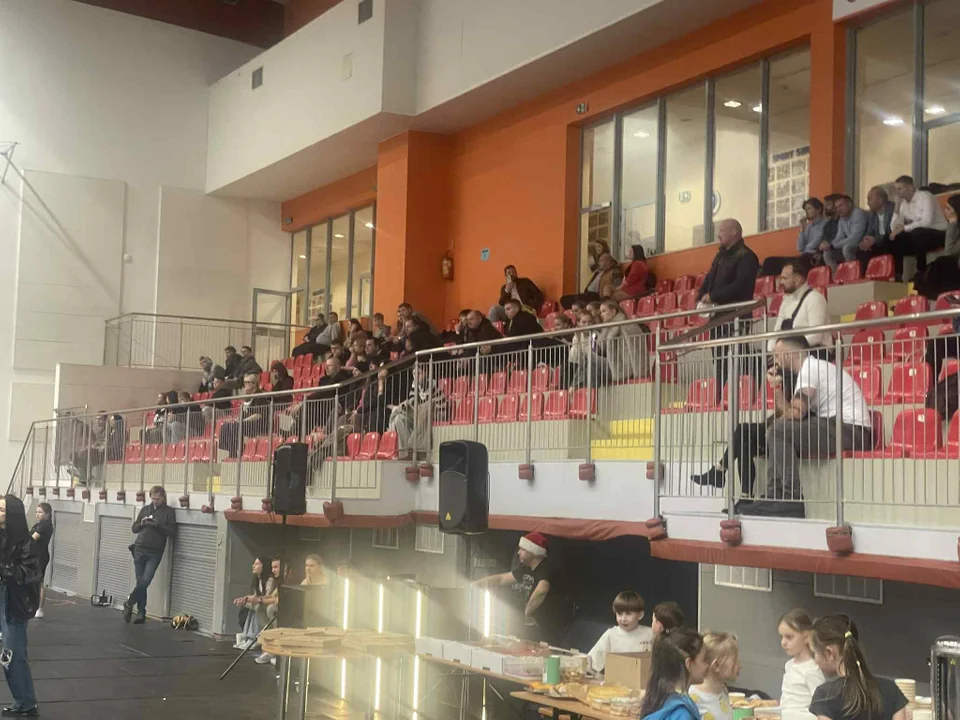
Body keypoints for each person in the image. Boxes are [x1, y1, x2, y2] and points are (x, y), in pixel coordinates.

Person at [743, 336, 873, 518]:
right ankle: (773, 496)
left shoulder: (810, 369)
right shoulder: (811, 368)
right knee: (778, 429)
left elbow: (796, 413)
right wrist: (777, 387)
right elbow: (786, 414)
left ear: (788, 355)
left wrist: (781, 399)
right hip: (839, 426)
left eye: (777, 356)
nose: (775, 361)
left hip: (851, 429)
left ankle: (790, 499)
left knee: (779, 430)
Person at [473, 531, 574, 646]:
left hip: (549, 627)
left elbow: (542, 590)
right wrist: (476, 584)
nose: (518, 552)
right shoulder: (526, 569)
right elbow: (501, 579)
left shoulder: (546, 568)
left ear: (533, 552)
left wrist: (527, 612)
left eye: (522, 549)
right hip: (534, 626)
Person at [697, 219, 761, 400]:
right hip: (717, 317)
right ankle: (721, 396)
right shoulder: (720, 256)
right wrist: (701, 297)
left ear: (734, 232)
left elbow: (741, 286)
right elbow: (709, 278)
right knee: (719, 358)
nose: (718, 235)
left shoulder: (747, 256)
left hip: (737, 315)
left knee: (738, 355)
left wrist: (713, 296)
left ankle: (745, 393)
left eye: (722, 230)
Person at [809, 615, 907, 720]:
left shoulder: (825, 695)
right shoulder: (891, 690)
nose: (815, 661)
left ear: (829, 653)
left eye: (814, 653)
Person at [0, 495, 41, 717]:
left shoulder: (25, 543)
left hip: (13, 603)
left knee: (12, 655)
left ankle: (26, 702)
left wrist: (5, 567)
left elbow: (29, 574)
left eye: (2, 509)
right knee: (9, 655)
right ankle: (22, 701)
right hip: (3, 599)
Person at [124, 486, 176, 625]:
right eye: (153, 499)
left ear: (163, 498)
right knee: (140, 581)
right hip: (140, 547)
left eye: (158, 499)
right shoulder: (145, 509)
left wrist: (157, 525)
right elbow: (134, 529)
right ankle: (141, 612)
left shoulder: (169, 512)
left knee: (146, 580)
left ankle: (129, 602)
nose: (155, 501)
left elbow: (172, 532)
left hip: (155, 551)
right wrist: (142, 524)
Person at [638, 627, 708, 720]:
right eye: (704, 659)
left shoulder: (657, 699)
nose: (707, 665)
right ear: (689, 664)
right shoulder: (682, 714)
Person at [890, 175, 949, 280]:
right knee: (893, 238)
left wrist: (904, 228)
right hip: (919, 234)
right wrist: (896, 209)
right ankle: (898, 274)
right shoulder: (903, 204)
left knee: (918, 233)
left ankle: (921, 270)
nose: (897, 193)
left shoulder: (925, 196)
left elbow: (927, 222)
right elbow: (894, 228)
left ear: (910, 187)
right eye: (896, 190)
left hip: (939, 232)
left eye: (900, 189)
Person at [769, 258, 831, 354]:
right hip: (789, 354)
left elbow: (816, 336)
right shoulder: (785, 302)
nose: (781, 282)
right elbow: (776, 333)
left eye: (785, 278)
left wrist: (789, 349)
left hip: (816, 352)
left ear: (798, 279)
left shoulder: (815, 298)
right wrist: (770, 352)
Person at [587, 591, 653, 673]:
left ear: (640, 615)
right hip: (617, 679)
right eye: (619, 614)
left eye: (628, 614)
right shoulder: (611, 635)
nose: (623, 619)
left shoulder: (650, 634)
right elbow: (592, 662)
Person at [387, 364, 448, 454]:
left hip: (438, 413)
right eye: (414, 374)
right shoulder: (416, 385)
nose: (416, 376)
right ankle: (407, 451)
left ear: (426, 373)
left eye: (419, 373)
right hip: (421, 412)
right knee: (399, 418)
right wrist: (401, 407)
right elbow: (413, 402)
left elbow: (422, 404)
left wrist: (403, 406)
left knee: (421, 410)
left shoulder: (431, 384)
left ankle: (416, 447)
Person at [778, 609, 825, 720]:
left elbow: (821, 704)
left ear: (806, 636)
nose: (783, 642)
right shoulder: (789, 665)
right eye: (781, 637)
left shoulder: (812, 669)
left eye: (789, 637)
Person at [914, 194, 960, 300]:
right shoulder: (956, 227)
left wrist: (952, 224)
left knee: (942, 263)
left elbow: (949, 252)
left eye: (948, 209)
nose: (945, 211)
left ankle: (940, 299)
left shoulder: (954, 226)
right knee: (930, 270)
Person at [689, 632, 741, 720]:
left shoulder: (722, 690)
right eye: (734, 661)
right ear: (716, 665)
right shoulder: (693, 697)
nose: (739, 665)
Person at [219, 374, 271, 458]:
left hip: (257, 424)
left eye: (248, 382)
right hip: (246, 423)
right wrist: (238, 419)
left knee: (236, 426)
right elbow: (243, 413)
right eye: (245, 382)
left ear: (255, 383)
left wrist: (243, 421)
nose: (246, 384)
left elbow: (258, 415)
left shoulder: (259, 396)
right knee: (226, 425)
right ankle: (231, 450)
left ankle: (237, 451)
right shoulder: (247, 397)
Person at [597, 299, 649, 382]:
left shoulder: (626, 325)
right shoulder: (607, 329)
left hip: (628, 370)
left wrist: (639, 373)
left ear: (613, 311)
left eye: (604, 311)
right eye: (600, 312)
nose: (601, 314)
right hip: (617, 370)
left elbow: (636, 350)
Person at [232, 556, 273, 650]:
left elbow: (268, 596)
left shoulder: (270, 580)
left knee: (256, 607)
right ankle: (246, 636)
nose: (253, 566)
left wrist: (253, 599)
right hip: (260, 603)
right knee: (247, 607)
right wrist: (245, 599)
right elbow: (255, 596)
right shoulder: (257, 580)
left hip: (267, 605)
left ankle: (253, 637)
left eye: (257, 564)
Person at [855, 186, 897, 272]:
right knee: (862, 249)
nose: (867, 203)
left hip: (891, 240)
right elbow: (869, 232)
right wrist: (866, 241)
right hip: (879, 242)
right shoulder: (872, 214)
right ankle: (867, 276)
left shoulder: (892, 209)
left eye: (870, 199)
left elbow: (891, 232)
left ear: (880, 200)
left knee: (887, 241)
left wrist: (874, 240)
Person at [255, 558, 289, 666]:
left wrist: (260, 600)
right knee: (259, 608)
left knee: (271, 609)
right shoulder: (279, 581)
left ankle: (276, 648)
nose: (273, 570)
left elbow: (281, 599)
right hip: (281, 608)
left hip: (290, 611)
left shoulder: (290, 580)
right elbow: (271, 596)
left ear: (285, 568)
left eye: (276, 567)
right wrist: (251, 599)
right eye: (272, 567)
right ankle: (268, 644)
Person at [821, 195, 868, 271]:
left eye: (841, 206)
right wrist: (829, 245)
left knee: (846, 248)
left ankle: (854, 273)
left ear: (849, 204)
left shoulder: (858, 213)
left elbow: (855, 238)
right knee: (827, 253)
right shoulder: (842, 219)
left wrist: (832, 246)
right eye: (836, 207)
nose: (838, 210)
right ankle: (836, 276)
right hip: (853, 244)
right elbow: (839, 237)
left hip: (862, 243)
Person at [29, 504, 53, 620]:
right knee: (32, 582)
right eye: (36, 512)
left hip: (40, 557)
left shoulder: (46, 526)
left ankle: (40, 609)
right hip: (33, 556)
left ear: (47, 514)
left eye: (40, 512)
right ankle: (32, 606)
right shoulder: (38, 525)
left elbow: (31, 539)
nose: (37, 514)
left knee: (39, 583)